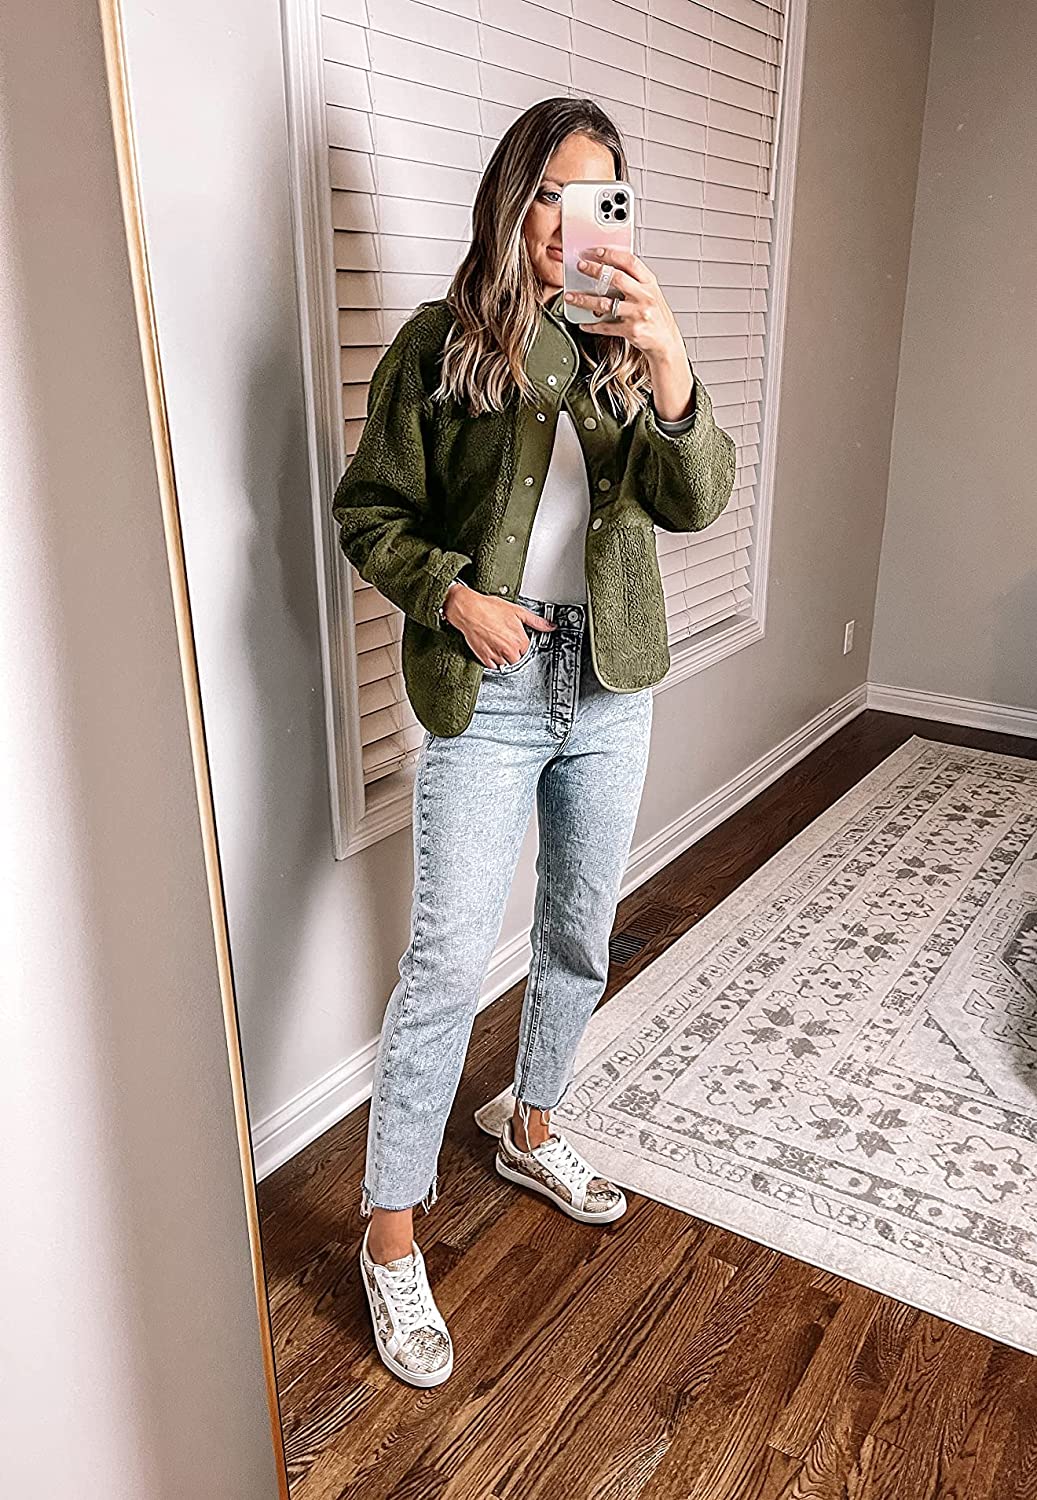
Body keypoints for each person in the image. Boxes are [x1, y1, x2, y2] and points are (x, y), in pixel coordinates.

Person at [331, 96, 737, 1388]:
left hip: (609, 680)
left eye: (597, 196)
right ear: (513, 203)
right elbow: (367, 513)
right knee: (447, 962)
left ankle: (532, 1123)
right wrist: (454, 596)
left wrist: (667, 363)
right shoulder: (440, 347)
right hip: (491, 684)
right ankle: (389, 1237)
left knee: (575, 928)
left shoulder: (624, 349)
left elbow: (695, 499)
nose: (571, 220)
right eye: (550, 192)